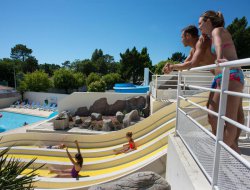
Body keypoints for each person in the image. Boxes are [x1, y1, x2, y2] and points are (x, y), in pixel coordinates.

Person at [199, 10, 244, 153]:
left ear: (208, 21)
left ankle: (225, 152)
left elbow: (218, 43)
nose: (199, 27)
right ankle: (232, 150)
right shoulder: (212, 35)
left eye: (200, 23)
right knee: (212, 115)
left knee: (229, 120)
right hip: (223, 76)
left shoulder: (217, 30)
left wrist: (219, 59)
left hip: (231, 74)